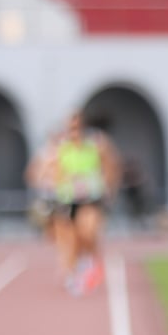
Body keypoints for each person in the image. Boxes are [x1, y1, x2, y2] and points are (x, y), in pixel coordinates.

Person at [48, 112, 120, 294]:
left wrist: (109, 187)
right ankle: (75, 272)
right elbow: (56, 172)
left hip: (91, 197)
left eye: (77, 128)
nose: (74, 132)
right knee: (71, 240)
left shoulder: (96, 145)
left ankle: (90, 260)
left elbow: (111, 166)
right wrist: (60, 183)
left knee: (87, 230)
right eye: (70, 128)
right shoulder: (62, 148)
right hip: (68, 198)